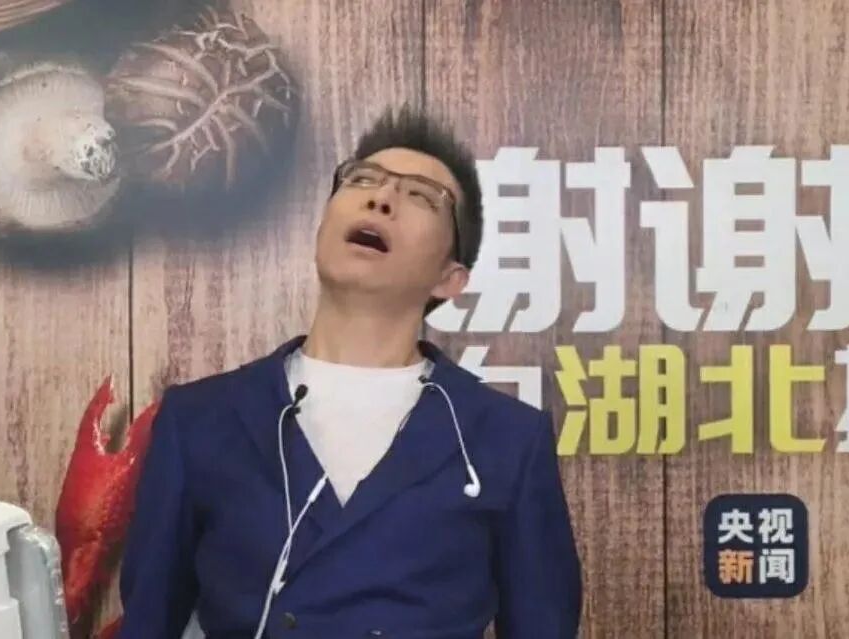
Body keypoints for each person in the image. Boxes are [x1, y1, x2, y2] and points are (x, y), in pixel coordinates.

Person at [118, 105, 582, 639]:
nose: (380, 198)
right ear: (321, 227)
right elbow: (149, 622)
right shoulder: (199, 420)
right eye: (362, 179)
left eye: (421, 196)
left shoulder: (506, 439)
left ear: (449, 279)